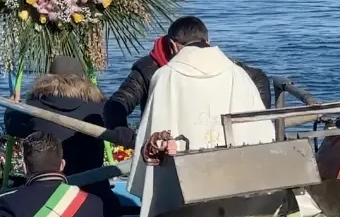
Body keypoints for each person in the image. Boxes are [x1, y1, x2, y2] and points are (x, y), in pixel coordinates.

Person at [127, 16, 279, 217]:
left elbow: (152, 143)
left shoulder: (167, 77)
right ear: (207, 40)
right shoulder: (238, 75)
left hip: (185, 191)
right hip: (236, 185)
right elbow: (261, 133)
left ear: (172, 45)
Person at [103, 18, 272, 148]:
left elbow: (256, 76)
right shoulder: (150, 69)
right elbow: (119, 102)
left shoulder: (220, 63)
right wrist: (126, 134)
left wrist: (257, 114)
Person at [4, 56, 121, 217]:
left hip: (47, 202)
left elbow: (12, 126)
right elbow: (117, 127)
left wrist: (10, 109)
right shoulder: (100, 107)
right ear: (83, 79)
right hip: (95, 196)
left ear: (48, 78)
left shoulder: (33, 108)